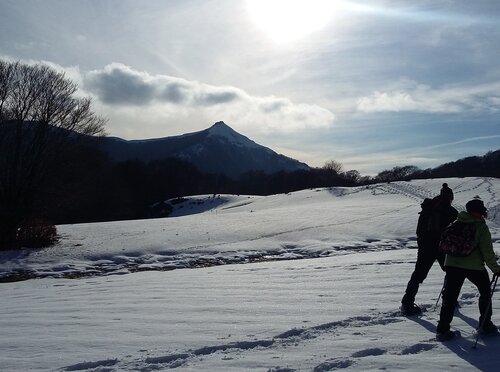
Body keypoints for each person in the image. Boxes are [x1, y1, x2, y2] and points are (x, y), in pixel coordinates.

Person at [436, 199, 500, 341]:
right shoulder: (481, 227)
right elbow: (487, 252)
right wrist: (496, 269)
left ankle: (443, 330)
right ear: (480, 211)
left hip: (452, 265)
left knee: (450, 298)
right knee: (485, 292)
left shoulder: (456, 223)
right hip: (474, 266)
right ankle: (485, 325)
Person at [401, 190, 458, 316]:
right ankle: (448, 299)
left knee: (418, 275)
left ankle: (407, 303)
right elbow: (454, 234)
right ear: (450, 198)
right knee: (451, 272)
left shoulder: (428, 208)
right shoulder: (451, 211)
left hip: (425, 247)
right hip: (443, 248)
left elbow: (419, 231)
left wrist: (423, 244)